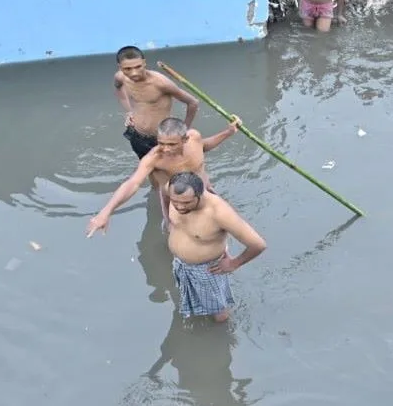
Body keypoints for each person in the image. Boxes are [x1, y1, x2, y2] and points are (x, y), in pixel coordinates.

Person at [86, 115, 242, 232]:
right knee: (178, 231)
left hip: (203, 190)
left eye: (172, 144)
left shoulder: (194, 137)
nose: (165, 149)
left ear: (185, 139)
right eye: (161, 143)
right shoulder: (154, 158)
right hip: (177, 200)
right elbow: (132, 183)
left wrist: (228, 132)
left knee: (225, 226)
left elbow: (204, 146)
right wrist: (105, 212)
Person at [152, 173, 268, 322]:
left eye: (187, 202)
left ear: (201, 194)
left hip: (207, 270)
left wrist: (234, 264)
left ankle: (222, 335)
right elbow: (163, 191)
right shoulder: (171, 188)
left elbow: (258, 244)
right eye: (176, 202)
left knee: (218, 311)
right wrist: (168, 219)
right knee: (187, 296)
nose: (180, 207)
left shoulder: (219, 213)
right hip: (180, 264)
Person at [113, 46, 199, 160]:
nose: (134, 73)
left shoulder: (161, 83)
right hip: (136, 134)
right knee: (147, 167)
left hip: (162, 139)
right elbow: (118, 88)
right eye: (127, 69)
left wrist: (183, 131)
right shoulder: (120, 77)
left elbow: (193, 102)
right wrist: (129, 111)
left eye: (138, 67)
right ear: (120, 67)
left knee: (171, 173)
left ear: (144, 63)